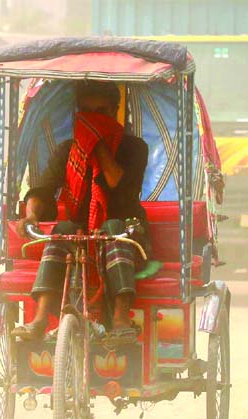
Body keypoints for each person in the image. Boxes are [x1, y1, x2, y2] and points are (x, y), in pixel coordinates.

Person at [12, 80, 149, 341]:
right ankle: (40, 319)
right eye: (87, 113)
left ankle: (121, 319)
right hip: (80, 238)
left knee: (112, 228)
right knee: (62, 229)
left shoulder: (135, 148)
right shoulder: (66, 151)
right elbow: (42, 191)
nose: (93, 118)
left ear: (115, 111)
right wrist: (31, 215)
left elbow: (115, 181)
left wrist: (95, 142)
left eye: (101, 112)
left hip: (127, 234)